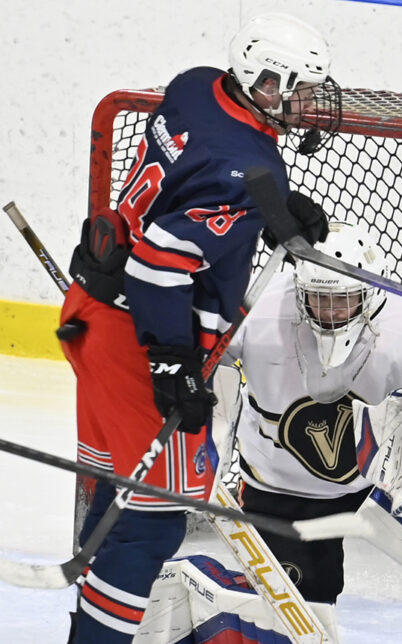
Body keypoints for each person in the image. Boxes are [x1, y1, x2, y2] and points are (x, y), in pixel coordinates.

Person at [58, 13, 341, 643]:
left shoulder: (197, 84)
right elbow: (158, 261)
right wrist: (172, 363)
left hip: (91, 314)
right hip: (140, 338)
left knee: (120, 498)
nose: (308, 105)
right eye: (298, 90)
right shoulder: (241, 164)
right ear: (264, 82)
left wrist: (268, 208)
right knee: (153, 521)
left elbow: (200, 173)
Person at [222, 221, 402, 619]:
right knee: (300, 605)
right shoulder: (260, 305)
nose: (330, 312)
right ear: (298, 288)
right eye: (318, 298)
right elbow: (209, 360)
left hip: (385, 479)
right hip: (280, 484)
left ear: (371, 292)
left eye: (343, 299)